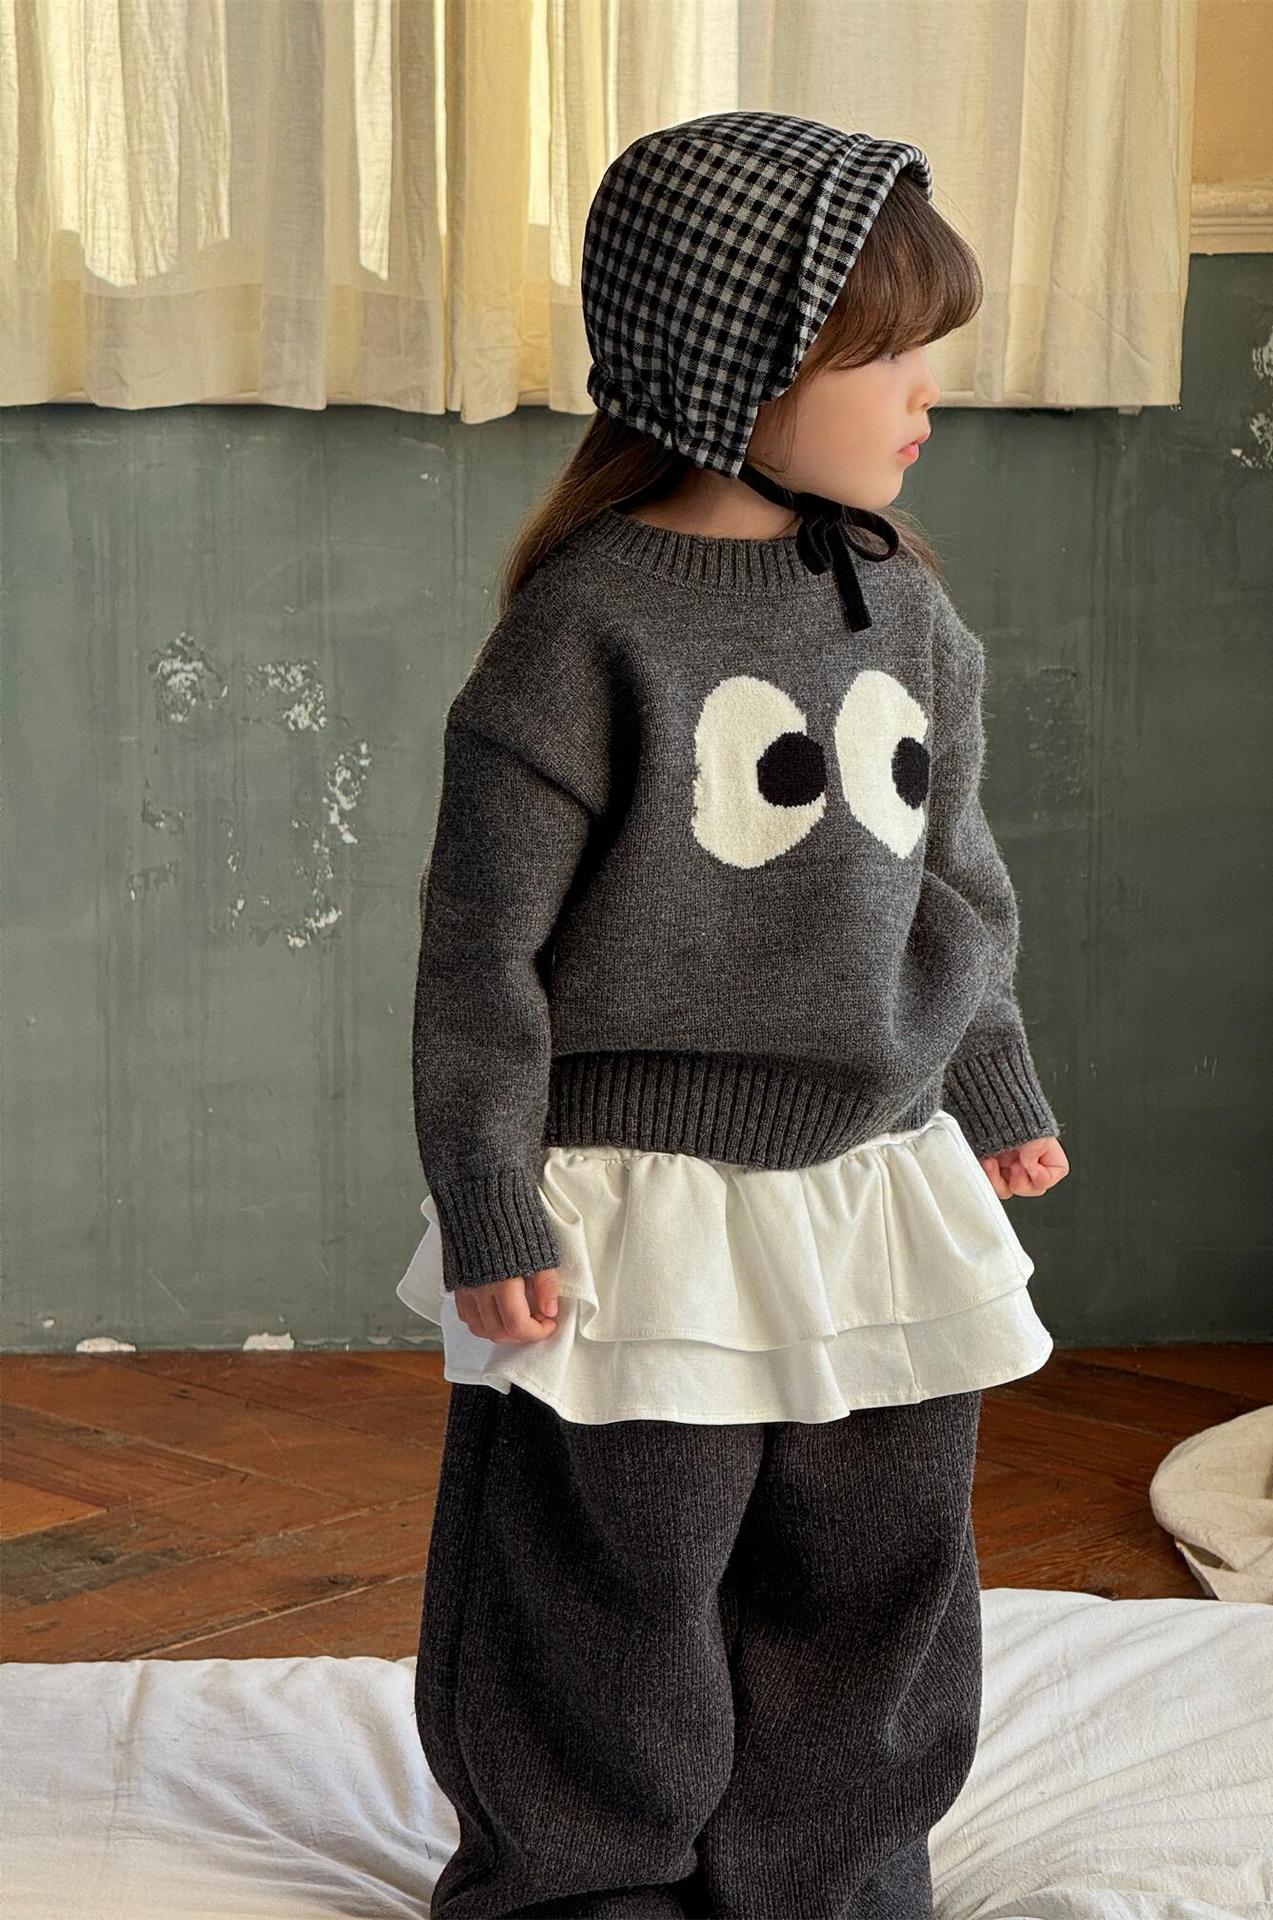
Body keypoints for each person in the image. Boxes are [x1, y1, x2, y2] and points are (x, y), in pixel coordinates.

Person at [403, 109, 1071, 1920]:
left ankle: (831, 1873)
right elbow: (479, 950)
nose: (929, 396)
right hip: (637, 1201)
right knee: (611, 1576)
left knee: (877, 1563)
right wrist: (490, 1190)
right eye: (888, 354)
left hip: (870, 1181)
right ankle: (586, 1878)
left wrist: (991, 1077)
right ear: (734, 366)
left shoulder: (905, 609)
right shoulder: (586, 629)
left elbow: (953, 878)